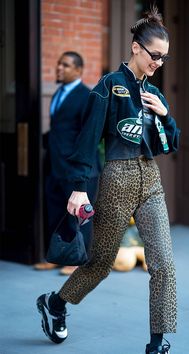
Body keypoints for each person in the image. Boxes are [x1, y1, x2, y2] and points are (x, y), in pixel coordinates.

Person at [36, 6, 180, 354]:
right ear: (135, 47)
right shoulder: (108, 87)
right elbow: (87, 142)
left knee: (164, 264)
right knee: (100, 263)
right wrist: (78, 188)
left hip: (151, 180)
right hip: (116, 177)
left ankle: (157, 344)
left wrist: (165, 115)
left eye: (164, 58)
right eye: (154, 55)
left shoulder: (155, 96)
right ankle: (55, 304)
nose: (158, 63)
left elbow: (168, 144)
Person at [34, 51, 101, 275]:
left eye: (66, 65)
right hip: (54, 166)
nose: (60, 68)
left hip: (78, 170)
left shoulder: (86, 96)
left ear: (79, 70)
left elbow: (88, 136)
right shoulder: (58, 94)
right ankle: (57, 256)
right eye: (59, 64)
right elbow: (59, 130)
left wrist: (81, 170)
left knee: (79, 217)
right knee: (55, 212)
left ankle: (78, 262)